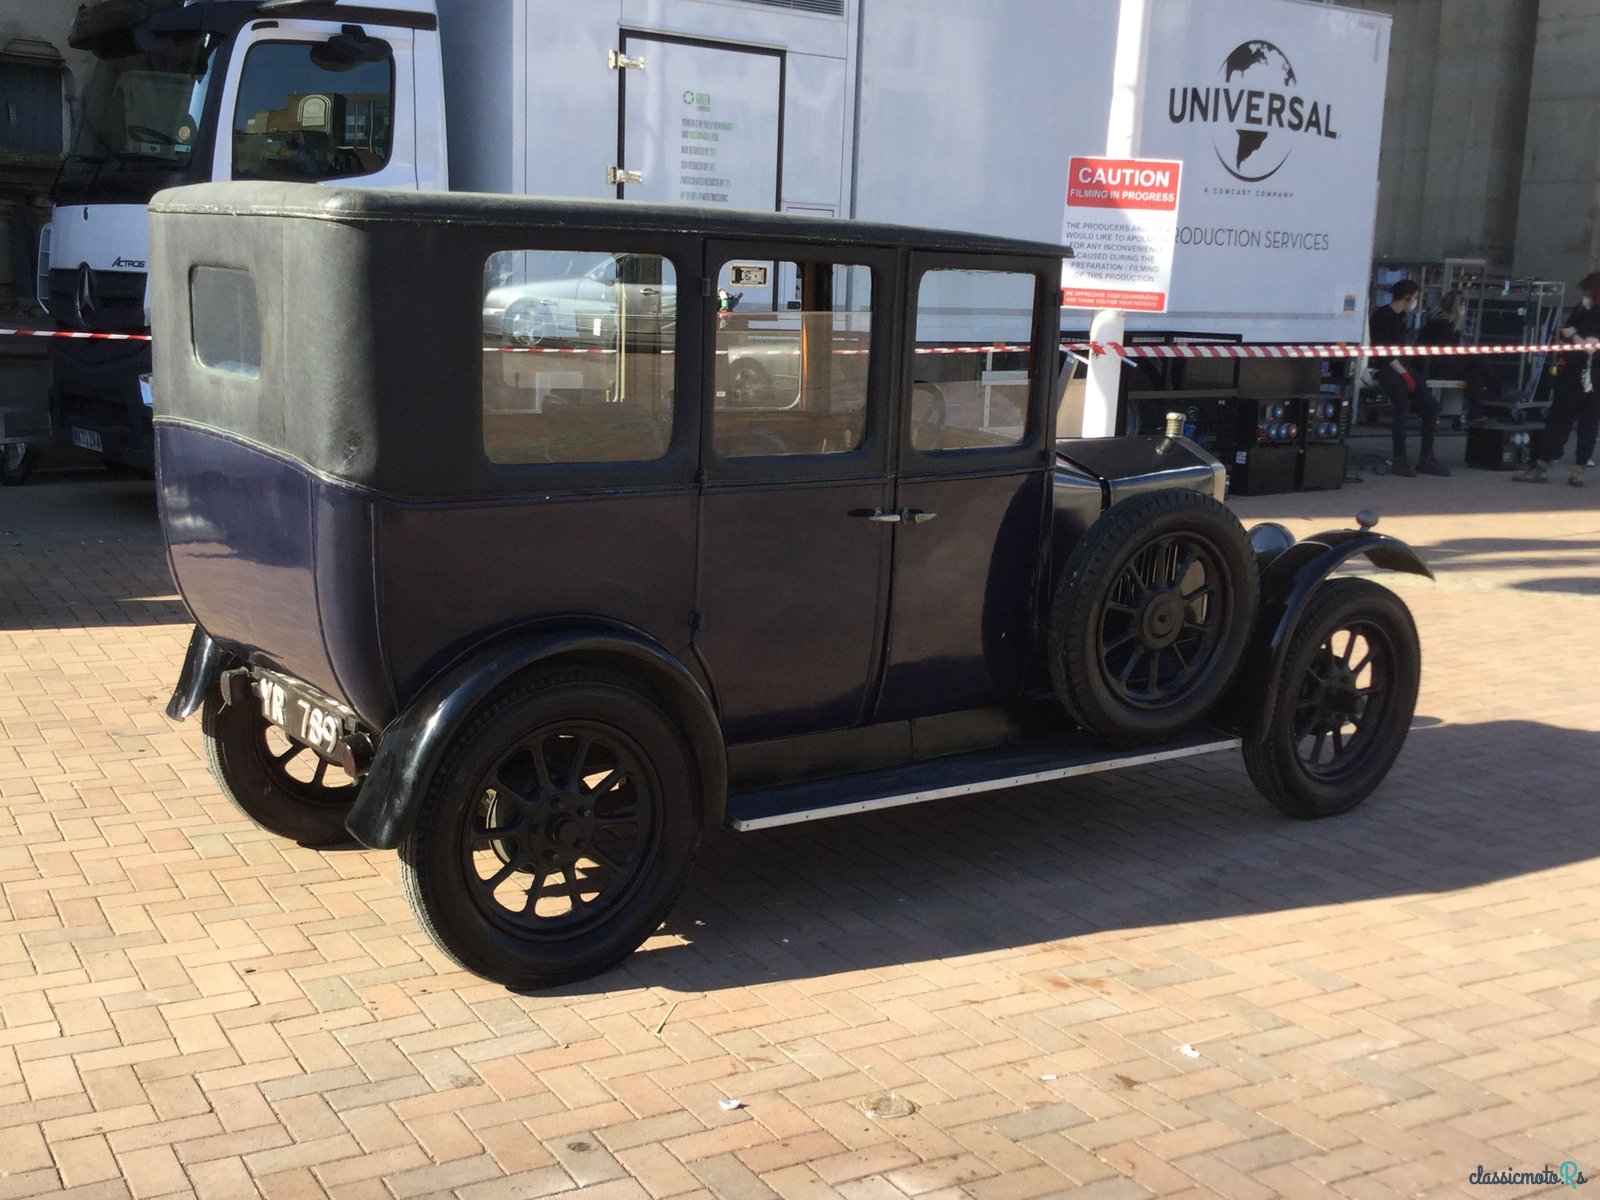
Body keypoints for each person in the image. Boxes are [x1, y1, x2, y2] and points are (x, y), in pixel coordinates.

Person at [1514, 271, 1600, 487]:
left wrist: (1571, 335)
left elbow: (1588, 347)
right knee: (1588, 424)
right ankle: (1578, 471)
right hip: (1591, 377)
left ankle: (1543, 467)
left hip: (1578, 374)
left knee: (1560, 419)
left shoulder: (1591, 312)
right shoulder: (1586, 310)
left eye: (1587, 290)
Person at [1370, 280, 1448, 476]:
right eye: (1414, 297)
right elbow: (1384, 351)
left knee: (1430, 406)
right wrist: (1403, 373)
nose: (1416, 301)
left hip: (1403, 365)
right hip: (1386, 367)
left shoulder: (1402, 317)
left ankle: (1427, 457)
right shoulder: (1381, 316)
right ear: (1407, 298)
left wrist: (1407, 371)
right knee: (1402, 405)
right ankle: (1399, 458)